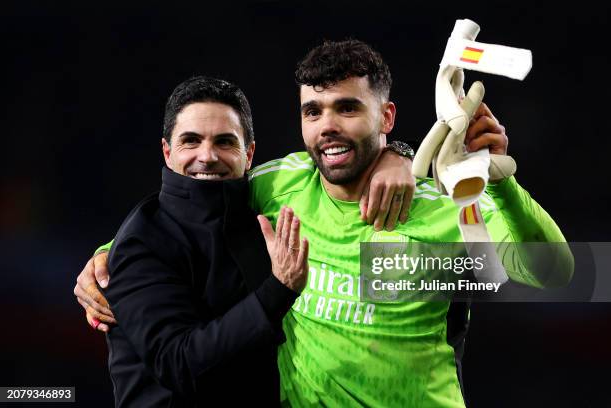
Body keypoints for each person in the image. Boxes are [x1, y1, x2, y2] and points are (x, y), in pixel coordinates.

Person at [77, 40, 573, 407]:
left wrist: (498, 183)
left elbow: (556, 274)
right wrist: (108, 254)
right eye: (312, 111)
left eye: (348, 108)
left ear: (387, 117)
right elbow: (190, 209)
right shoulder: (281, 185)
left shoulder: (448, 204)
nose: (327, 125)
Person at [101, 76, 309, 407]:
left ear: (250, 153)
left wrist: (396, 155)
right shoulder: (141, 243)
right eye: (191, 141)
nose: (208, 156)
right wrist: (277, 291)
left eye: (225, 142)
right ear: (167, 152)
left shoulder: (263, 218)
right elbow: (177, 361)